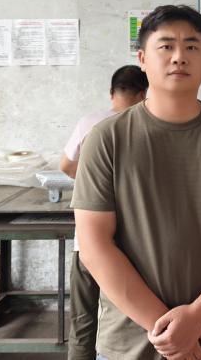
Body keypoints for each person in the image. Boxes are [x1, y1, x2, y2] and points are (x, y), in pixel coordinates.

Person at [72, 5, 201, 360]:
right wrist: (171, 332)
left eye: (192, 46)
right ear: (143, 59)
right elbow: (94, 244)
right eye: (166, 46)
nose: (179, 57)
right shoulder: (107, 138)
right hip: (129, 342)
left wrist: (197, 317)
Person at [61, 65, 149, 360]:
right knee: (129, 316)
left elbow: (65, 165)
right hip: (130, 244)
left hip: (87, 242)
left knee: (83, 319)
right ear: (143, 94)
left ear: (112, 93)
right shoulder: (146, 126)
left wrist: (91, 182)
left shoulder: (91, 123)